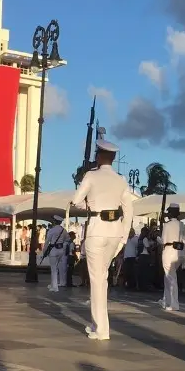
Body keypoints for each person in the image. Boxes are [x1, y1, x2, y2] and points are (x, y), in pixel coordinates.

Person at [71, 140, 134, 339]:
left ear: (99, 156)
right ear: (114, 158)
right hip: (115, 232)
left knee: (97, 279)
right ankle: (100, 326)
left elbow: (76, 200)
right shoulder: (121, 180)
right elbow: (129, 210)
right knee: (103, 278)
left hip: (97, 230)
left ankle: (100, 328)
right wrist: (124, 237)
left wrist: (88, 206)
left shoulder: (91, 175)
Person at [158, 203, 185, 311]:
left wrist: (158, 238)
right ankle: (166, 300)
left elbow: (163, 241)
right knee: (168, 277)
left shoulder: (167, 225)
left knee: (170, 278)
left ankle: (174, 303)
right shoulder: (182, 225)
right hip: (179, 253)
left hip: (169, 251)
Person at [44, 216, 70, 292]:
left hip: (53, 250)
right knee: (57, 268)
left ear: (54, 221)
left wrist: (44, 251)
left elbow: (47, 242)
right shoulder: (63, 230)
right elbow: (68, 239)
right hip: (61, 250)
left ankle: (55, 287)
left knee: (53, 269)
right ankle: (53, 284)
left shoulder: (52, 230)